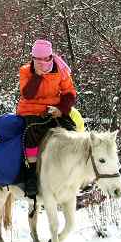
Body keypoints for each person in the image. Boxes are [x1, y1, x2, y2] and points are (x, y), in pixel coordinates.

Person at [17, 39, 78, 197]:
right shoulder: (25, 71)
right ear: (33, 58)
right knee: (31, 134)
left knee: (71, 131)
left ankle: (73, 171)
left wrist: (61, 109)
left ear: (50, 57)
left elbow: (69, 93)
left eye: (45, 59)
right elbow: (27, 94)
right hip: (31, 109)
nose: (41, 63)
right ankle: (31, 174)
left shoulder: (60, 70)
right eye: (37, 59)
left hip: (54, 109)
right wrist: (37, 76)